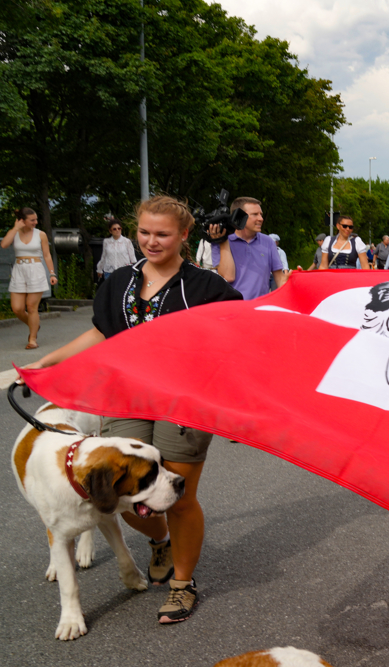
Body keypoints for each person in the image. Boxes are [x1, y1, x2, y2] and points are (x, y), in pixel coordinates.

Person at [21, 195, 242, 625]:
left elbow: (236, 337)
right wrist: (47, 361)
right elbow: (101, 332)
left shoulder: (205, 286)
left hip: (183, 403)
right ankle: (159, 541)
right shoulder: (120, 279)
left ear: (183, 235)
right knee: (130, 497)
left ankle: (182, 584)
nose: (151, 241)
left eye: (162, 234)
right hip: (126, 398)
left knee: (178, 498)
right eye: (144, 232)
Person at [2, 207, 57, 349]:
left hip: (36, 269)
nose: (35, 222)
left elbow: (47, 255)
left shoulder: (41, 235)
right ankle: (34, 324)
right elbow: (4, 244)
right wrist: (15, 228)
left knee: (32, 306)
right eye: (32, 220)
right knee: (17, 308)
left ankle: (32, 339)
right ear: (22, 221)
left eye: (36, 219)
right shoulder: (15, 233)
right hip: (19, 270)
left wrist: (52, 273)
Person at [211, 197, 286, 300]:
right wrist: (223, 241)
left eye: (261, 214)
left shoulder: (268, 242)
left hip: (259, 310)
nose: (261, 218)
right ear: (240, 217)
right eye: (255, 214)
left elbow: (280, 280)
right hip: (232, 310)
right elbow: (228, 277)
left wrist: (297, 280)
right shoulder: (221, 242)